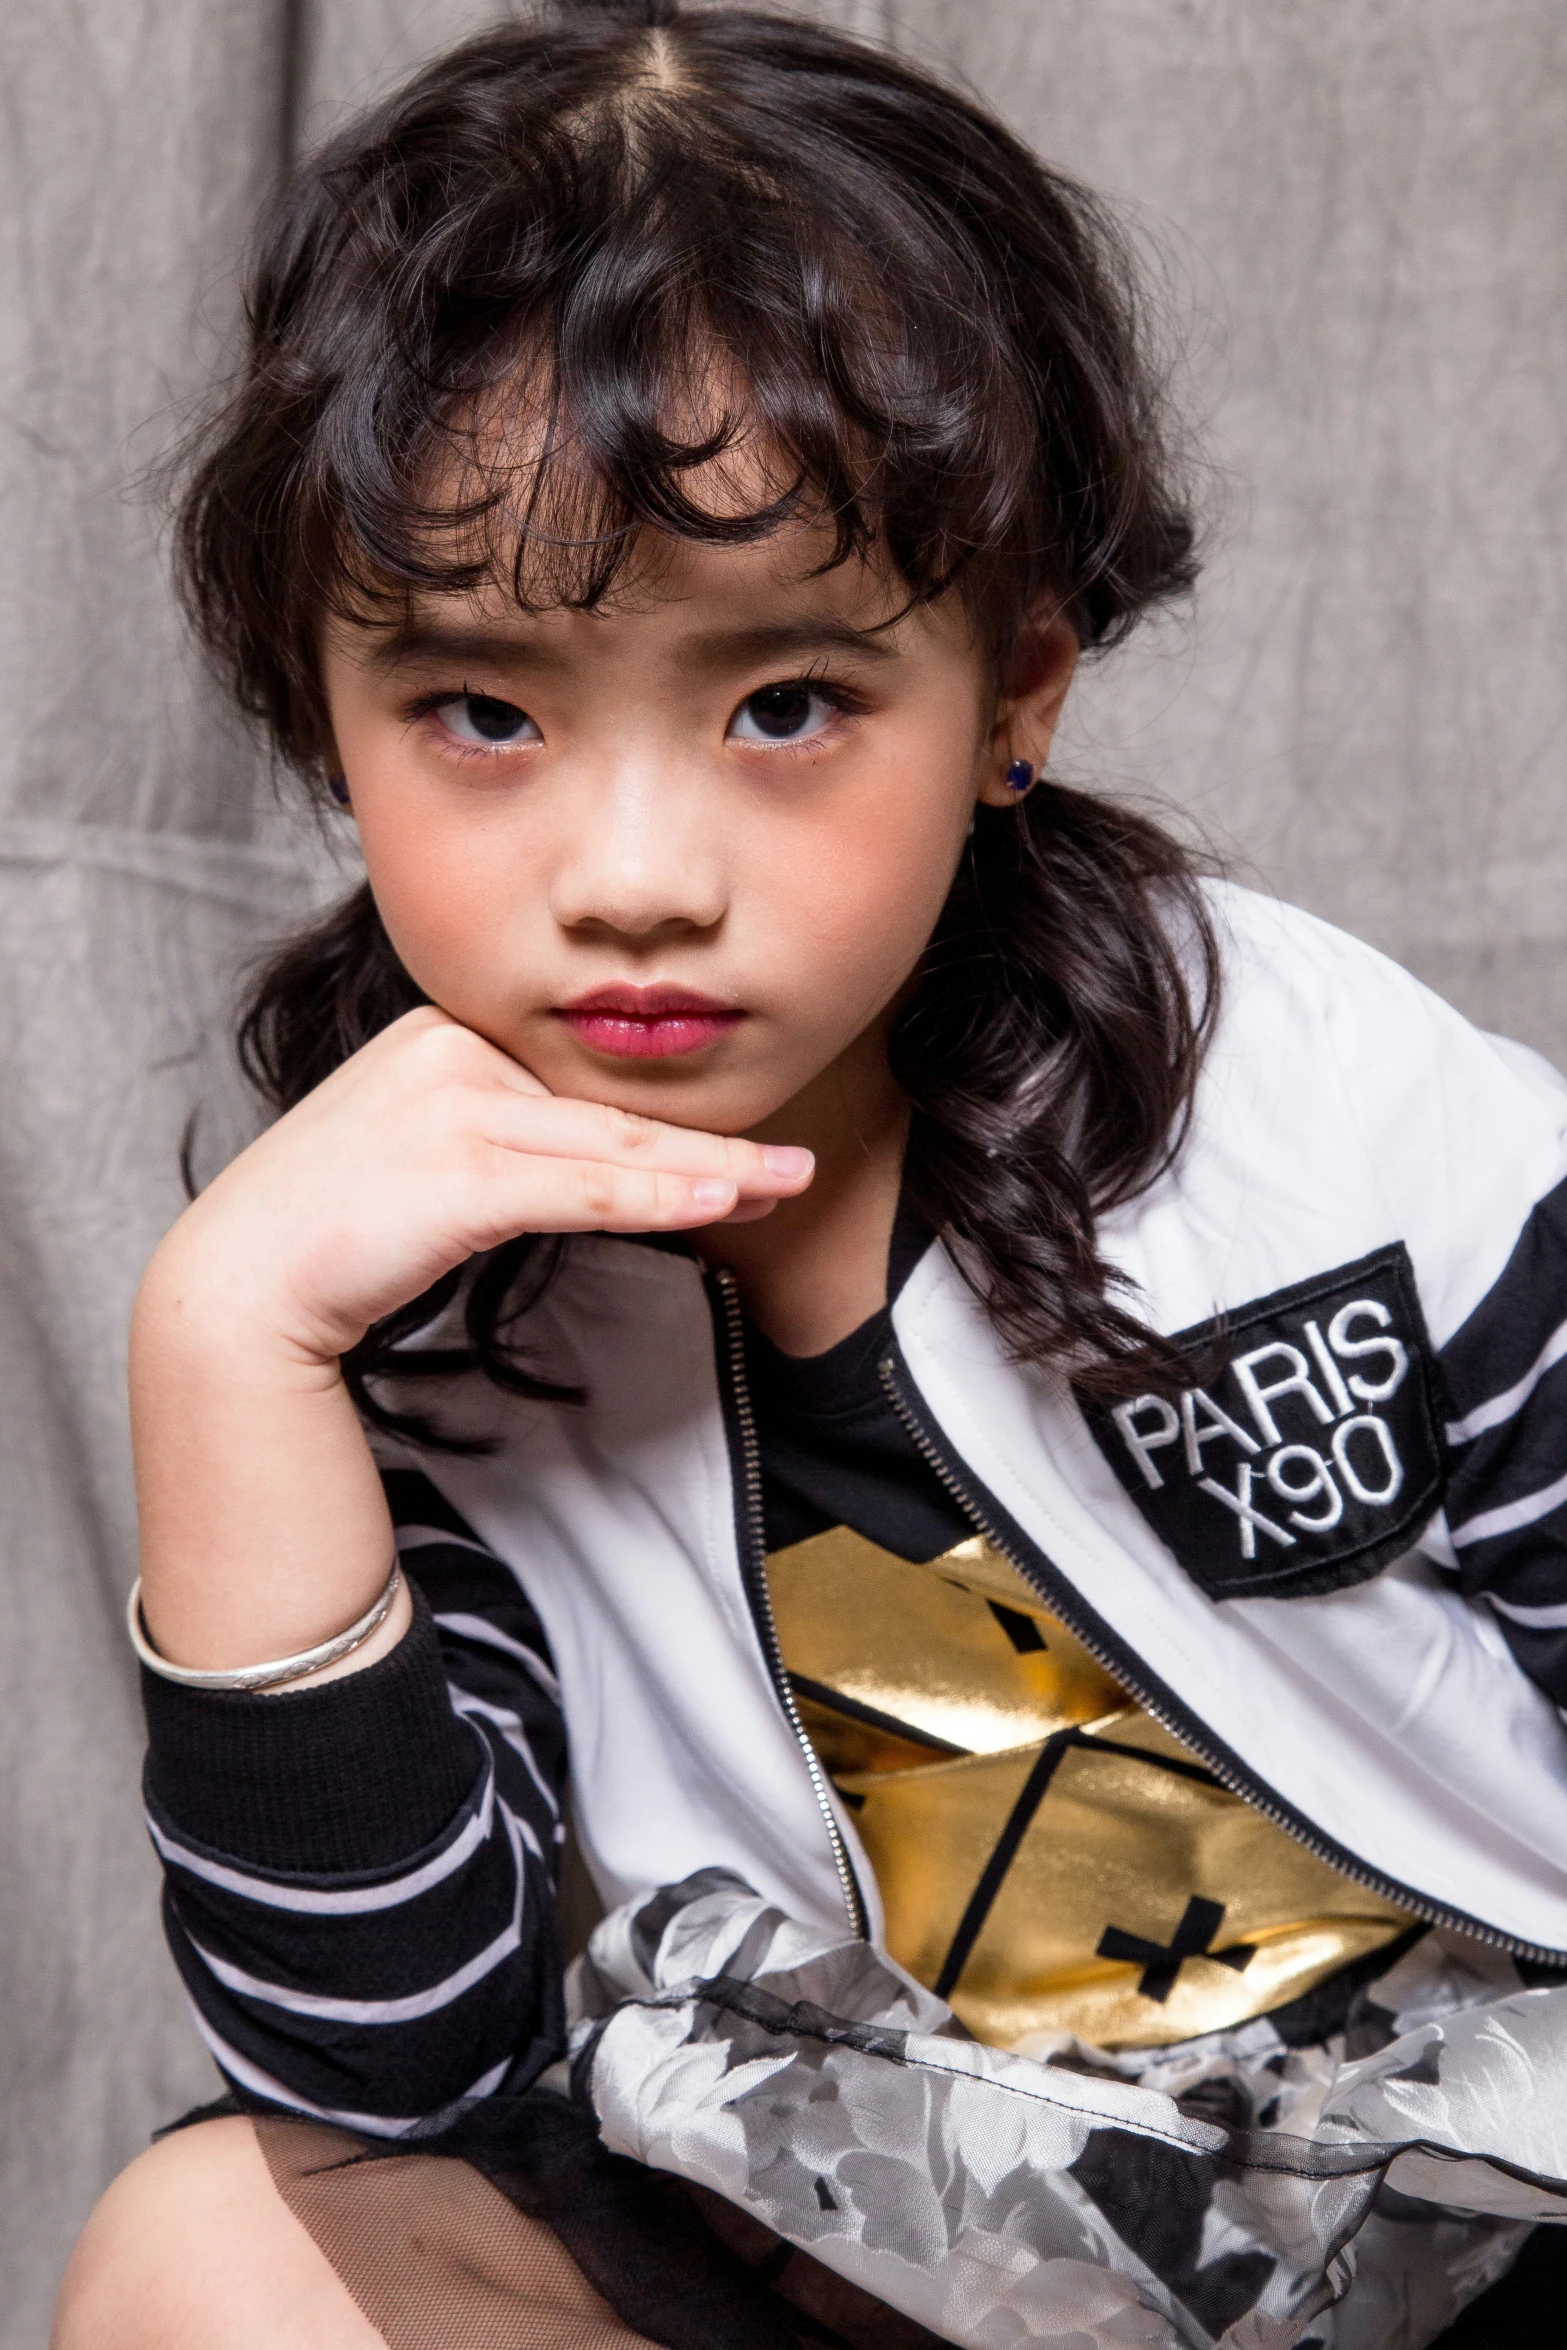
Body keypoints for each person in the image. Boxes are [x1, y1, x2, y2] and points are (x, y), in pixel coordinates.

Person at [51, 5, 1567, 2345]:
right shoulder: (403, 1290)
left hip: (1480, 2198)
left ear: (1017, 690)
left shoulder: (1329, 1118)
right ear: (326, 722)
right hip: (903, 2234)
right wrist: (224, 1348)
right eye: (481, 711)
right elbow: (387, 2063)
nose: (634, 874)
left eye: (786, 707)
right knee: (211, 2239)